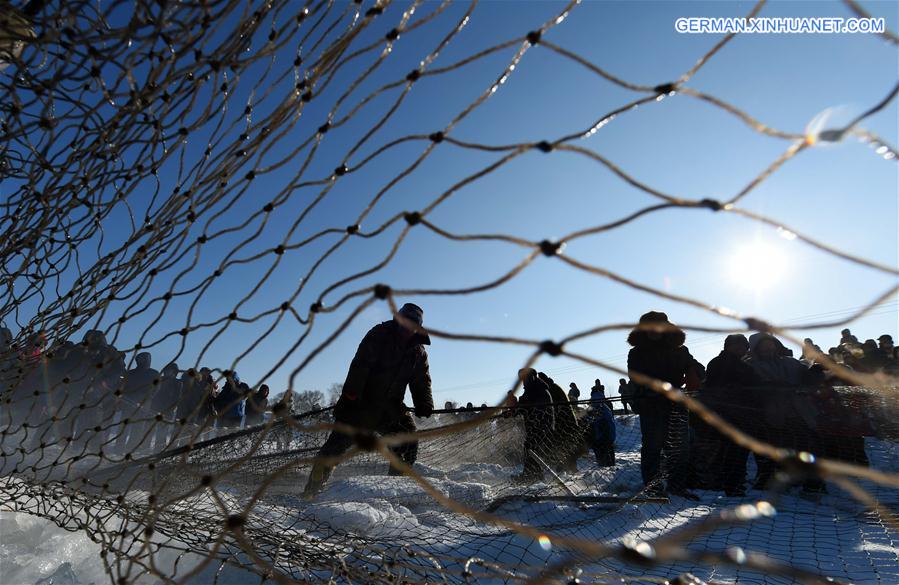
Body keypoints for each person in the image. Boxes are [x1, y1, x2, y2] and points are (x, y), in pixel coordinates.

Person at [302, 303, 434, 498]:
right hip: (359, 405)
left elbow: (422, 381)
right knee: (332, 451)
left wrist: (425, 403)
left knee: (408, 442)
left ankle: (392, 492)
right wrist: (352, 394)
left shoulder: (418, 352)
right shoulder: (379, 334)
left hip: (391, 409)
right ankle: (311, 492)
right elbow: (360, 365)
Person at [627, 311, 701, 498]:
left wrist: (694, 371)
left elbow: (696, 366)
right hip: (650, 405)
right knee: (652, 447)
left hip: (676, 405)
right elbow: (637, 377)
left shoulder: (680, 350)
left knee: (680, 448)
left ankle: (677, 487)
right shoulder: (637, 353)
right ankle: (653, 488)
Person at [700, 334, 761, 496]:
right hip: (726, 413)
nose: (740, 349)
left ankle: (735, 483)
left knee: (739, 452)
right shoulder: (718, 363)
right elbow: (714, 387)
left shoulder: (745, 367)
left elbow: (756, 386)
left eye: (743, 346)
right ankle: (730, 484)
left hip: (743, 414)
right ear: (727, 346)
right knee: (730, 451)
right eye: (736, 345)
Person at [511, 368, 555, 483]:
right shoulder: (533, 389)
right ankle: (532, 476)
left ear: (531, 377)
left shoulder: (537, 390)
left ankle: (532, 477)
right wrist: (510, 411)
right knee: (530, 449)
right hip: (536, 427)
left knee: (532, 449)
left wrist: (517, 407)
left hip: (541, 427)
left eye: (525, 378)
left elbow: (525, 406)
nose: (523, 381)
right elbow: (521, 406)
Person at [114, 352, 160, 455]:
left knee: (137, 428)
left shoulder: (154, 374)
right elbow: (122, 387)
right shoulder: (130, 373)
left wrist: (145, 399)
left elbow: (155, 389)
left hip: (143, 405)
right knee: (124, 427)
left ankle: (132, 448)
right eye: (140, 359)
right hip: (128, 403)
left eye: (144, 359)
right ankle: (119, 448)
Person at [538, 372, 580, 473]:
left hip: (564, 422)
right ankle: (567, 467)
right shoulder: (554, 386)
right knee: (564, 445)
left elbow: (553, 407)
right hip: (565, 421)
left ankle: (567, 468)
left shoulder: (552, 389)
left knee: (563, 444)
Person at [584, 382, 615, 466]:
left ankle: (603, 466)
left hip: (598, 437)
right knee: (609, 454)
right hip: (609, 436)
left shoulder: (594, 407)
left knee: (601, 457)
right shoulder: (605, 406)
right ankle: (611, 466)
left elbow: (589, 420)